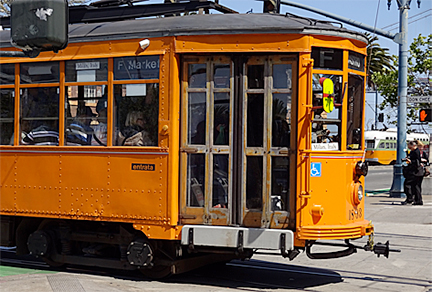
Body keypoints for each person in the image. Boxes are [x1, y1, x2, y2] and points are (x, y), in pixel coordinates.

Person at [402, 141, 424, 205]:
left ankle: (410, 199)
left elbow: (417, 162)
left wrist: (410, 161)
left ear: (413, 146)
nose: (409, 148)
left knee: (407, 184)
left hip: (415, 172)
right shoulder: (415, 151)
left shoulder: (416, 152)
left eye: (410, 147)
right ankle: (418, 200)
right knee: (416, 186)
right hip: (418, 172)